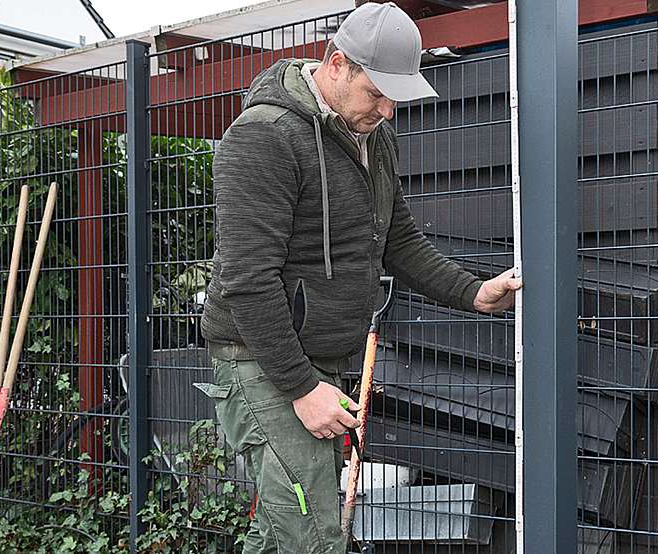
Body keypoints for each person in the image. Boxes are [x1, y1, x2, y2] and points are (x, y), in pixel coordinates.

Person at [200, 2, 521, 552]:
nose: (389, 109)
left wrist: (474, 292)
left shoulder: (372, 138)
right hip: (259, 359)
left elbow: (398, 242)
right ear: (339, 64)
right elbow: (247, 280)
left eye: (396, 95)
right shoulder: (265, 137)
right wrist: (302, 389)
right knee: (313, 532)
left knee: (283, 528)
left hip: (320, 361)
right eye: (378, 92)